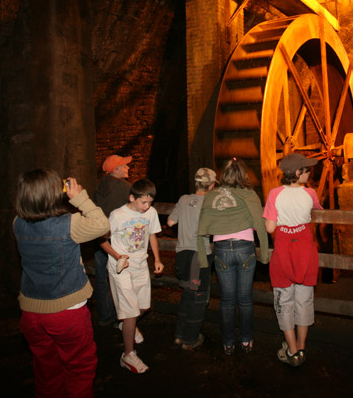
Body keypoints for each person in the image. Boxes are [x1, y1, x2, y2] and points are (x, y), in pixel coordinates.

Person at [13, 169, 109, 397]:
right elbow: (102, 225)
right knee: (79, 369)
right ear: (53, 194)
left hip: (31, 313)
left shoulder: (17, 223)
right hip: (66, 313)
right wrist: (79, 197)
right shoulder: (70, 224)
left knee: (46, 370)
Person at [197, 158, 269, 355]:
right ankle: (246, 340)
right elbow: (260, 225)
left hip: (221, 250)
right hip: (245, 248)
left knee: (227, 300)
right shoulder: (249, 194)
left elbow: (202, 228)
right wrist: (264, 255)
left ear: (224, 176)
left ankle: (228, 342)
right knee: (245, 299)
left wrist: (203, 259)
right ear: (243, 175)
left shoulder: (212, 195)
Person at [263, 153, 323, 367]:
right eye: (306, 169)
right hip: (305, 250)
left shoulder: (275, 194)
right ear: (297, 173)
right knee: (304, 299)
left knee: (284, 300)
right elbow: (318, 210)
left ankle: (292, 349)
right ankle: (302, 345)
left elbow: (270, 227)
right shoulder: (311, 193)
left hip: (283, 250)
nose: (309, 173)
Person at [101, 179, 164, 373]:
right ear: (132, 198)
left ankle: (128, 325)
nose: (147, 207)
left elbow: (152, 234)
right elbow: (101, 240)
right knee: (130, 312)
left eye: (150, 203)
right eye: (143, 202)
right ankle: (128, 355)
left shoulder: (151, 213)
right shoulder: (117, 215)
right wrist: (118, 256)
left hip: (140, 264)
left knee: (143, 306)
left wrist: (157, 259)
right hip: (121, 267)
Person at [166, 167, 217, 350]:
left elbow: (170, 222)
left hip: (182, 255)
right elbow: (213, 230)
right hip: (200, 256)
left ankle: (179, 335)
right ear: (211, 185)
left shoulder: (183, 199)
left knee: (187, 294)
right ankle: (190, 339)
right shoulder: (210, 203)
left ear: (196, 183)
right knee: (199, 296)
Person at [92, 155, 132, 326]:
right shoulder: (125, 188)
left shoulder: (100, 184)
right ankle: (122, 316)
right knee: (120, 276)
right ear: (115, 170)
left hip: (99, 238)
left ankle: (105, 314)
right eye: (124, 166)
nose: (127, 168)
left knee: (101, 277)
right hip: (117, 239)